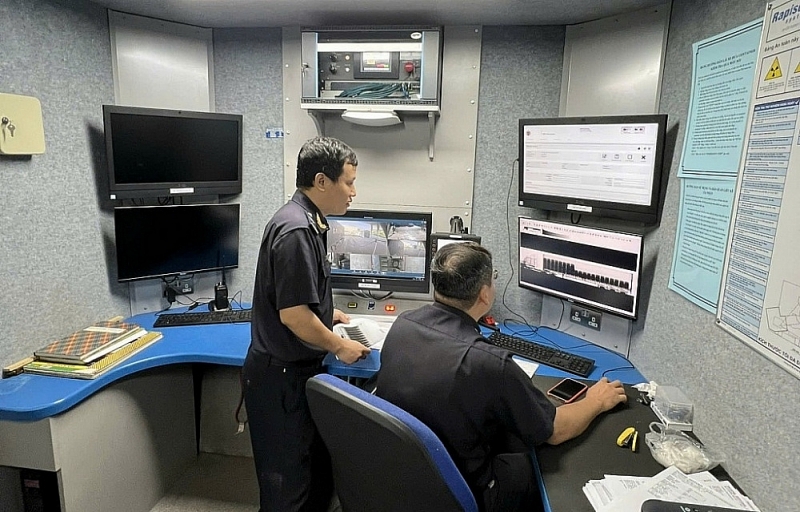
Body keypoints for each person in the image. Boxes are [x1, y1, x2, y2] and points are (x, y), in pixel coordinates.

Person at [375, 242, 627, 512]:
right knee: (533, 465)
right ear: (484, 294)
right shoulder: (489, 363)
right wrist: (596, 401)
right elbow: (555, 431)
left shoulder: (403, 325)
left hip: (405, 476)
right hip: (464, 491)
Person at [243, 136, 371, 512]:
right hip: (281, 381)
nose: (353, 192)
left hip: (292, 374)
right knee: (288, 488)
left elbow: (294, 297)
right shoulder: (297, 230)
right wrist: (338, 344)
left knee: (312, 478)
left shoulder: (306, 220)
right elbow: (293, 316)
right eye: (348, 182)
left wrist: (326, 312)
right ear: (321, 181)